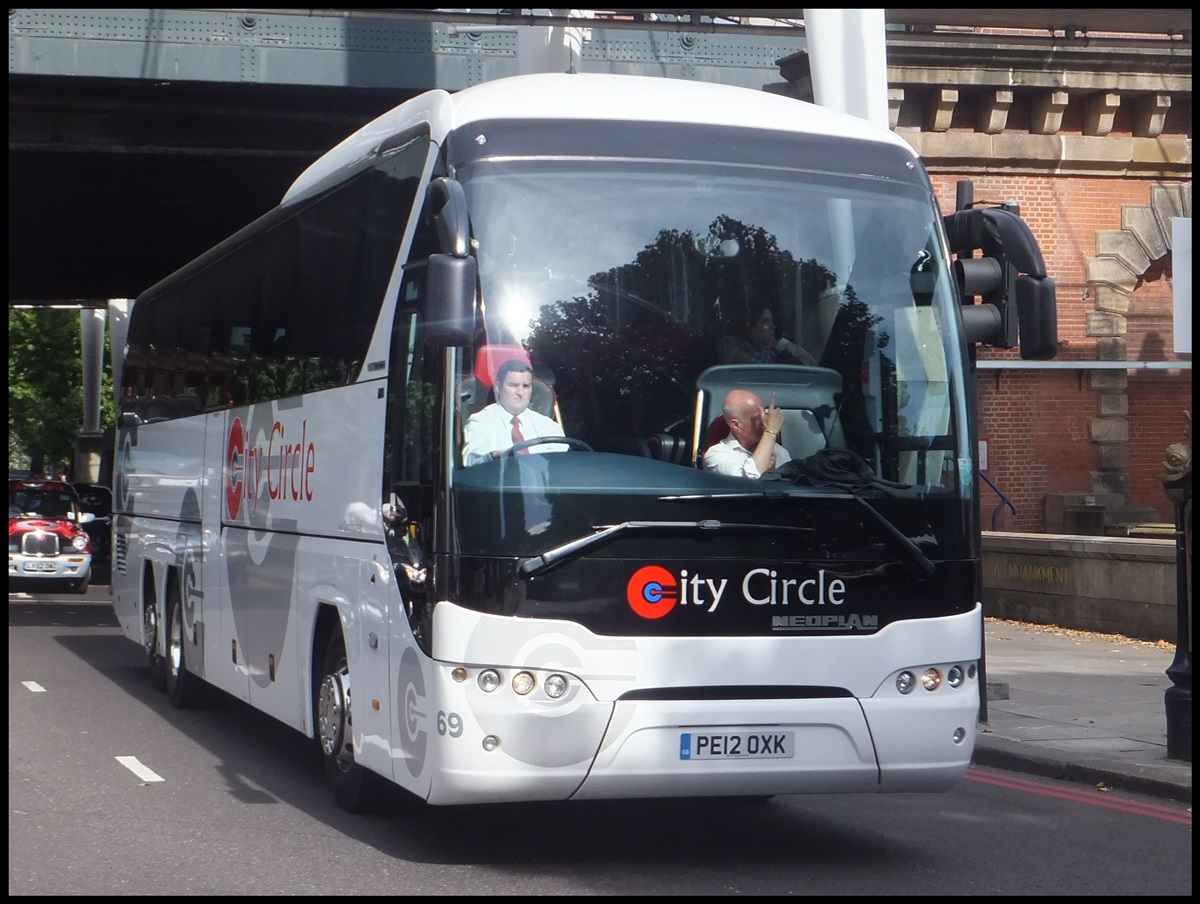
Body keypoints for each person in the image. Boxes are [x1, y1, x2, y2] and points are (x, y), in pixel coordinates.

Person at [462, 358, 566, 466]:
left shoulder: (547, 425)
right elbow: (471, 459)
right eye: (513, 385)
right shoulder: (481, 421)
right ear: (497, 388)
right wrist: (497, 456)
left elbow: (560, 462)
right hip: (498, 480)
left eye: (526, 386)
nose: (520, 392)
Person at [702, 389, 792, 478]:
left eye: (766, 415)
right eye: (758, 418)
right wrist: (770, 432)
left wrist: (775, 473)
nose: (766, 422)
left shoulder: (780, 452)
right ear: (736, 425)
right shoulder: (716, 455)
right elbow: (749, 480)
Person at [718, 304, 817, 366]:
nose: (773, 326)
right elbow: (760, 374)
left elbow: (812, 366)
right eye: (765, 322)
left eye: (772, 321)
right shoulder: (729, 345)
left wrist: (783, 344)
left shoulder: (773, 351)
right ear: (749, 324)